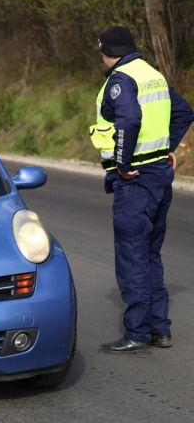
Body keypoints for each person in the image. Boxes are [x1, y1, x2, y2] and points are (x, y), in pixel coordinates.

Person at [92, 26, 193, 353]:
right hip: (159, 176)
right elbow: (184, 112)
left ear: (106, 53)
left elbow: (130, 120)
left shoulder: (119, 80)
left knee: (132, 256)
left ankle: (136, 332)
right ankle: (160, 330)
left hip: (134, 180)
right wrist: (165, 149)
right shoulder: (153, 75)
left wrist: (122, 164)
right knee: (150, 254)